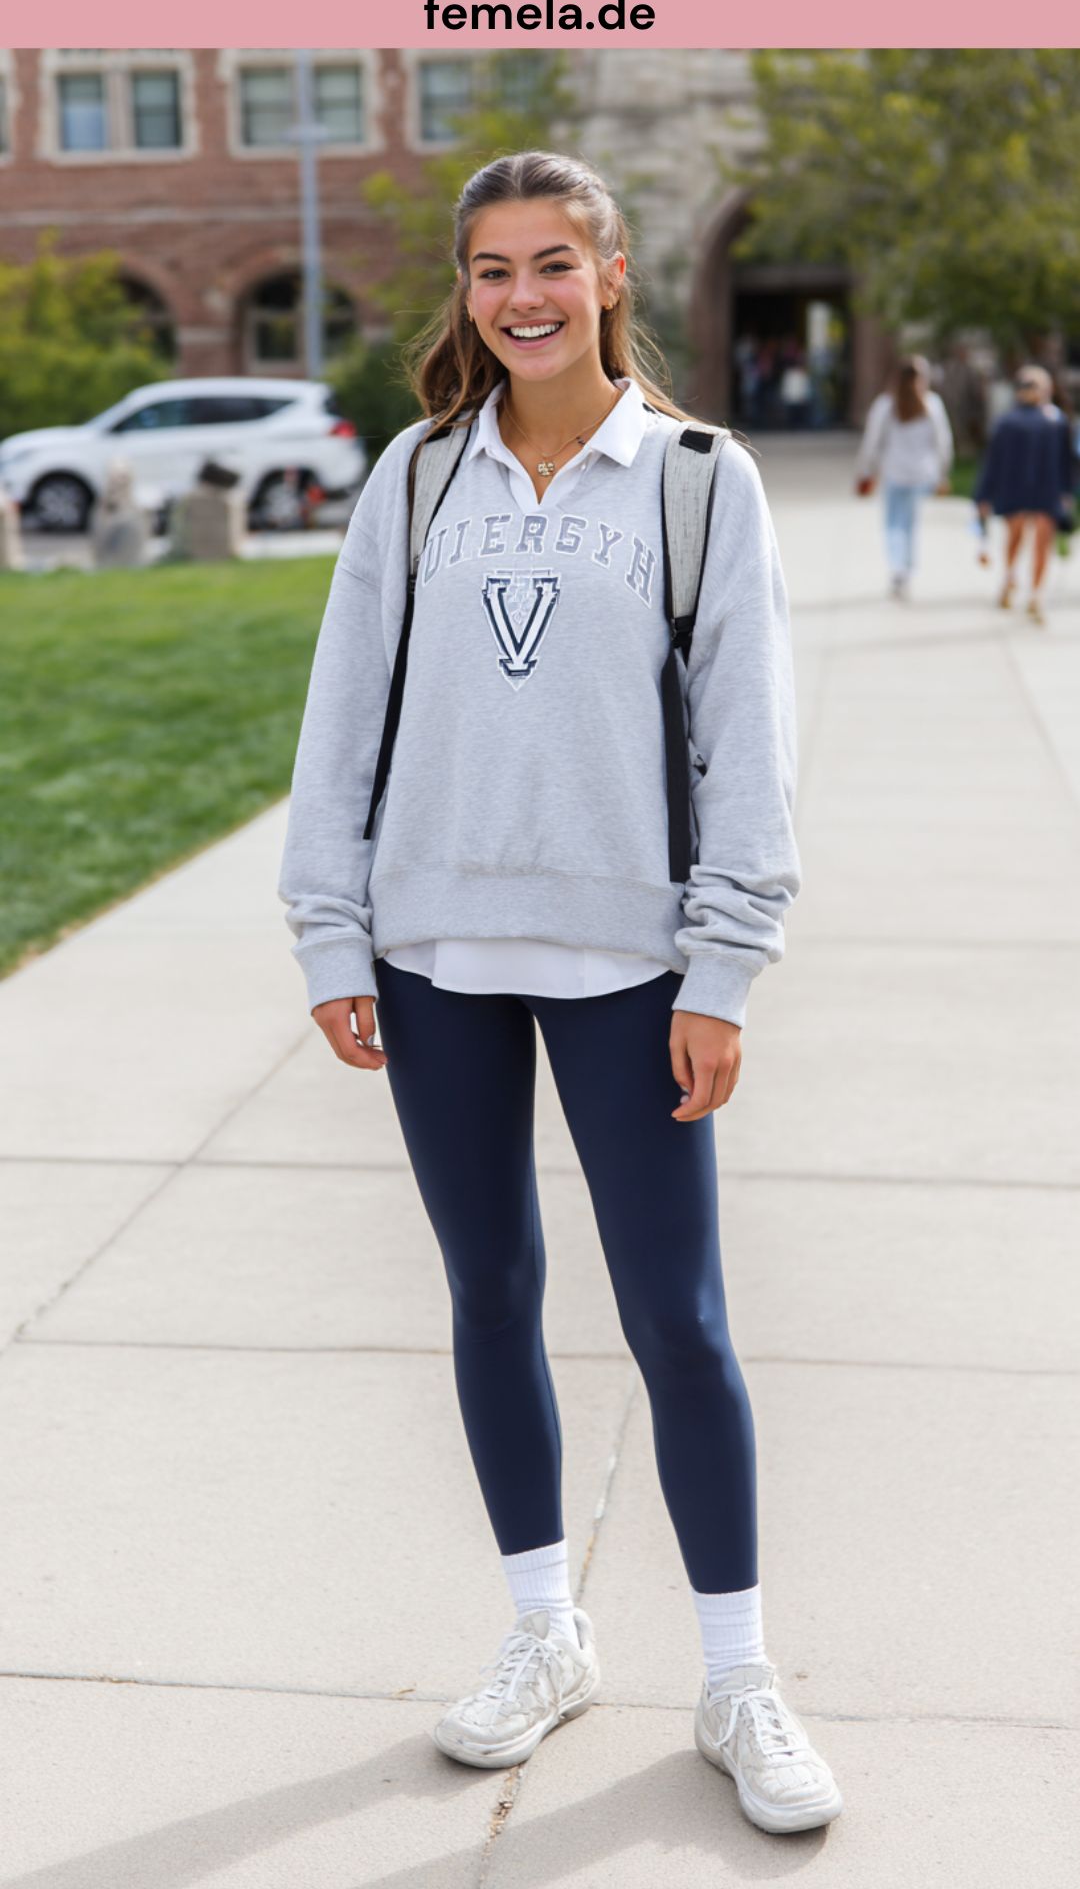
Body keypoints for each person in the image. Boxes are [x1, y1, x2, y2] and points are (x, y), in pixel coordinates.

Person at [278, 150, 842, 1837]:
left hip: (631, 966)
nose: (521, 295)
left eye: (553, 263)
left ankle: (739, 1676)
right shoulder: (417, 480)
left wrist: (724, 967)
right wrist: (330, 933)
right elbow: (340, 723)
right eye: (492, 270)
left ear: (607, 277)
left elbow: (753, 749)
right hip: (433, 957)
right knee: (489, 1294)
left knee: (680, 1323)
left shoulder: (693, 481)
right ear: (466, 293)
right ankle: (545, 1634)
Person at [974, 365, 1075, 626]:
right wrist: (983, 495)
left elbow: (1066, 462)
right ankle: (1018, 583)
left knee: (1034, 540)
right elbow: (994, 461)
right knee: (1024, 538)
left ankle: (1032, 591)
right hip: (1029, 488)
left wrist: (1066, 492)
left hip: (1037, 488)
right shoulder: (1016, 422)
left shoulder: (1053, 421)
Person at [854, 354, 954, 599]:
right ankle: (907, 569)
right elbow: (943, 442)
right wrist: (943, 472)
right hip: (922, 473)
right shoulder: (932, 404)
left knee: (893, 525)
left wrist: (865, 470)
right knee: (910, 523)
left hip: (895, 472)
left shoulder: (885, 405)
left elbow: (872, 442)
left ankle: (898, 569)